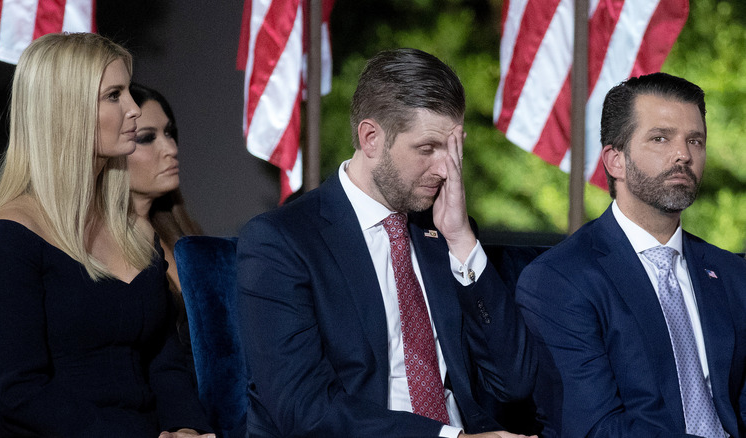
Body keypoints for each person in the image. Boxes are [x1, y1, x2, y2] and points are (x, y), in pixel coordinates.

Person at [237, 48, 537, 438]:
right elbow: (305, 411)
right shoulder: (282, 242)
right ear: (371, 138)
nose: (446, 168)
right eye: (428, 149)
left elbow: (514, 382)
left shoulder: (440, 232)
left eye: (454, 148)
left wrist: (462, 239)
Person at [0, 33, 213, 438]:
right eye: (114, 95)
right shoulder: (7, 239)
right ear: (66, 110)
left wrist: (187, 427)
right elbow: (21, 392)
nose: (134, 109)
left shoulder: (135, 230)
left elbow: (164, 363)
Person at [515, 72, 746, 437]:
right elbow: (595, 428)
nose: (683, 154)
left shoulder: (733, 274)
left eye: (695, 141)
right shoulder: (559, 280)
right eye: (660, 138)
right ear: (615, 161)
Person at [127, 83, 203, 342]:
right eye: (147, 138)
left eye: (169, 133)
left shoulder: (188, 237)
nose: (171, 149)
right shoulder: (98, 248)